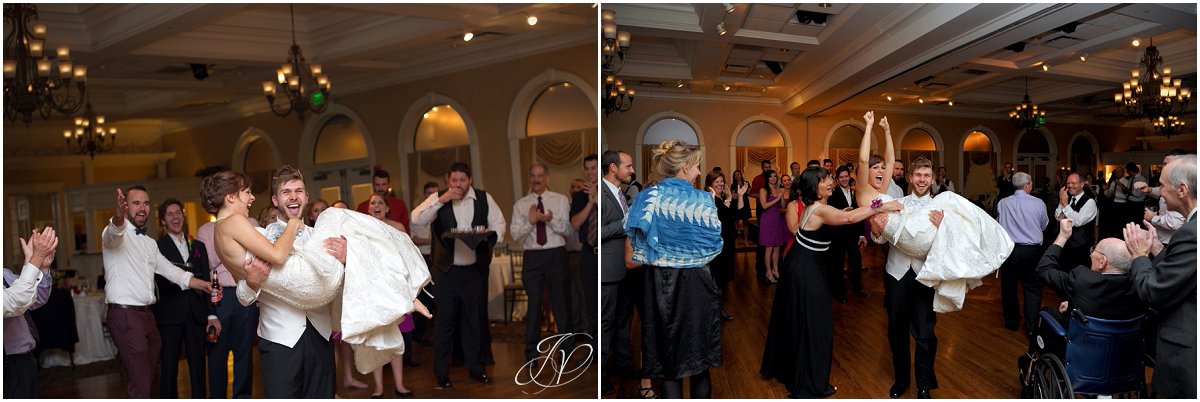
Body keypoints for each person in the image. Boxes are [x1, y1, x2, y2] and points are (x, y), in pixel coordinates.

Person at [856, 111, 1013, 398]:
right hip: (896, 274)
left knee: (926, 333)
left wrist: (944, 228)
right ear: (910, 177)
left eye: (927, 175)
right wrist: (876, 231)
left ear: (932, 178)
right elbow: (881, 237)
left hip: (926, 276)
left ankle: (925, 383)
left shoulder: (943, 209)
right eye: (918, 174)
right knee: (896, 330)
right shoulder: (896, 202)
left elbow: (958, 240)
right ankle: (901, 379)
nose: (922, 179)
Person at [761, 167, 901, 398]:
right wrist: (882, 206)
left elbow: (838, 216)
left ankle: (798, 372)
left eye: (829, 179)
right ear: (813, 186)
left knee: (801, 319)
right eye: (824, 180)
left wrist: (843, 212)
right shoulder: (819, 209)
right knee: (815, 324)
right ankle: (810, 383)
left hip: (802, 262)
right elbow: (847, 218)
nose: (830, 182)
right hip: (805, 267)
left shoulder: (815, 207)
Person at [626, 140, 723, 399]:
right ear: (684, 167)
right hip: (697, 283)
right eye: (697, 167)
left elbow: (637, 247)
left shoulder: (648, 197)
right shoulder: (703, 199)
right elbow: (715, 247)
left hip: (661, 283)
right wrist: (688, 252)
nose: (699, 173)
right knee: (700, 363)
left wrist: (665, 252)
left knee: (669, 364)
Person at [102, 186, 213, 398]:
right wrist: (118, 215)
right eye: (135, 203)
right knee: (141, 377)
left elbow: (172, 272)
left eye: (145, 203)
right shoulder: (115, 234)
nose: (142, 208)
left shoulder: (150, 243)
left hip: (147, 316)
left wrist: (202, 284)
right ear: (126, 206)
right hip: (125, 313)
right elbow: (114, 230)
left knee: (147, 373)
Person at [410, 162, 506, 389]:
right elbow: (416, 219)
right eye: (454, 181)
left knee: (474, 322)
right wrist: (440, 200)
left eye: (462, 180)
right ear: (447, 180)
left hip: (474, 271)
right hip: (446, 272)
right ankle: (442, 373)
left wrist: (487, 235)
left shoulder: (483, 198)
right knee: (445, 323)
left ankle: (476, 369)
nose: (458, 185)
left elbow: (499, 224)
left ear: (470, 180)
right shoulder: (439, 198)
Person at [1122, 154, 1196, 399]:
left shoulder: (1190, 232)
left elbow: (1152, 291)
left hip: (1187, 350)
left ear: (1182, 190)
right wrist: (1156, 249)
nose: (1159, 192)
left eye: (1163, 185)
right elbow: (1184, 271)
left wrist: (1139, 256)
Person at [511, 163, 573, 361]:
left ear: (547, 178)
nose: (536, 179)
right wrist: (530, 222)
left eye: (540, 176)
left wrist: (548, 219)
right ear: (529, 178)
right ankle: (531, 354)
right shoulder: (520, 204)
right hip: (532, 256)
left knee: (560, 304)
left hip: (555, 254)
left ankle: (566, 352)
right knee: (533, 304)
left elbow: (569, 231)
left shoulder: (561, 200)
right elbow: (514, 235)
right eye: (532, 175)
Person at [153, 199, 210, 398]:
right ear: (163, 221)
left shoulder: (197, 245)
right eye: (170, 214)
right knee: (169, 365)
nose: (175, 217)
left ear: (183, 216)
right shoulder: (156, 247)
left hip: (196, 312)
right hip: (170, 314)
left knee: (198, 365)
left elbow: (207, 281)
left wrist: (211, 315)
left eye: (178, 212)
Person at [196, 218, 260, 398]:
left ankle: (243, 397)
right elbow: (207, 264)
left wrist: (228, 249)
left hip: (246, 293)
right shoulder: (206, 230)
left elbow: (256, 257)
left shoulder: (252, 223)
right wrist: (233, 248)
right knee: (217, 353)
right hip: (219, 297)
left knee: (244, 352)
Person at [1036, 219, 1145, 324]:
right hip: (1120, 341)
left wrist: (1062, 236)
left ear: (1102, 262)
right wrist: (1073, 303)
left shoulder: (1081, 280)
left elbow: (1043, 270)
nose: (1091, 254)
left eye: (1094, 249)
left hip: (1081, 340)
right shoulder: (1140, 285)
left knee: (1047, 311)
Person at [364, 193, 415, 398]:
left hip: (395, 289)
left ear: (387, 208)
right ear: (368, 209)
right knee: (377, 340)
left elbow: (408, 259)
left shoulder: (398, 228)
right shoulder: (362, 229)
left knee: (397, 339)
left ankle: (400, 384)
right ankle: (378, 387)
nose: (376, 206)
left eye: (380, 203)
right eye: (372, 203)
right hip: (373, 289)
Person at [4, 227, 57, 398]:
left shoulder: (3, 274)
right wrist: (34, 260)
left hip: (24, 360)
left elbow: (36, 298)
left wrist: (41, 267)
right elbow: (16, 300)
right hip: (8, 362)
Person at [996, 173, 1049, 337]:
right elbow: (1044, 225)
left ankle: (1011, 322)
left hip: (1010, 250)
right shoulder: (1038, 203)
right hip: (1032, 252)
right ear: (1027, 185)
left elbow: (998, 225)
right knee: (1032, 288)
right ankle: (1031, 327)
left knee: (1009, 287)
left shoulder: (1003, 203)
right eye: (1031, 182)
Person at [707, 170, 748, 320]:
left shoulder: (722, 198)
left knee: (722, 280)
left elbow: (738, 213)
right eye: (716, 181)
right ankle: (714, 312)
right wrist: (730, 198)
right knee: (717, 279)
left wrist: (741, 196)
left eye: (721, 181)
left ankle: (718, 310)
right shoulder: (710, 199)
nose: (720, 184)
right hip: (717, 244)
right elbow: (719, 213)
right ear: (710, 184)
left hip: (728, 243)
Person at [569, 155, 599, 348]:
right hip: (588, 253)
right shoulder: (579, 196)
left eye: (593, 168)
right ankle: (594, 351)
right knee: (590, 305)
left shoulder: (608, 191)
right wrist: (589, 203)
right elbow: (575, 224)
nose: (589, 172)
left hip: (606, 252)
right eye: (587, 169)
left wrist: (598, 200)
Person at [826, 165, 868, 302]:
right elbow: (829, 214)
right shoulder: (832, 194)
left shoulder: (857, 193)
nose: (844, 179)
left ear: (849, 177)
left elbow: (861, 214)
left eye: (846, 176)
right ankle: (839, 292)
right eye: (841, 177)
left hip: (854, 234)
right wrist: (841, 212)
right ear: (837, 179)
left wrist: (862, 234)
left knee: (856, 262)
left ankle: (858, 287)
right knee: (838, 264)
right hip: (838, 234)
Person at [407, 181, 440, 350]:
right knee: (425, 297)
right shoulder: (418, 214)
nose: (432, 196)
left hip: (439, 259)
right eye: (429, 193)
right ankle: (418, 335)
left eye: (435, 193)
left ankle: (432, 333)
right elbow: (412, 239)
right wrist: (431, 241)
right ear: (424, 195)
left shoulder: (441, 211)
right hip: (422, 259)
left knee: (438, 297)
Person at [1134, 149, 1188, 244]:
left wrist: (1153, 217)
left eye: (1169, 164)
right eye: (1164, 164)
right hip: (1161, 236)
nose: (1164, 167)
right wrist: (1149, 189)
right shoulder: (1170, 181)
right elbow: (1161, 191)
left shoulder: (1182, 187)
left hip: (1171, 241)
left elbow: (1175, 223)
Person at [1054, 173, 1098, 270]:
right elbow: (1058, 217)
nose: (1070, 186)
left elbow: (1078, 221)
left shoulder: (1090, 202)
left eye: (1073, 183)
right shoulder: (1067, 199)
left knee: (1079, 278)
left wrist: (1065, 205)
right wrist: (1061, 202)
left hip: (1081, 247)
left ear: (1082, 184)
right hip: (1065, 245)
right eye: (1068, 183)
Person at [758, 170, 788, 282]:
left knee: (777, 246)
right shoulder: (763, 190)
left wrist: (781, 195)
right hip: (767, 220)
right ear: (767, 178)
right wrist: (776, 198)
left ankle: (776, 270)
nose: (773, 178)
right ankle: (768, 272)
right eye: (771, 177)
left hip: (777, 219)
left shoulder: (778, 189)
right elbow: (764, 206)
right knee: (769, 247)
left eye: (775, 176)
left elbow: (783, 205)